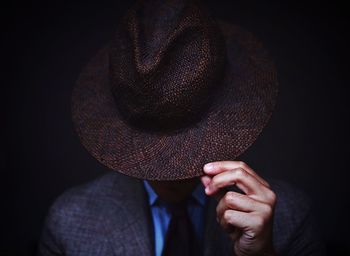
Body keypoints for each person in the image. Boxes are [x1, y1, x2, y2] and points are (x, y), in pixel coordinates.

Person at [38, 0, 325, 255]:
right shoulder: (69, 222)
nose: (173, 170)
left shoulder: (290, 217)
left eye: (187, 141)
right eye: (158, 143)